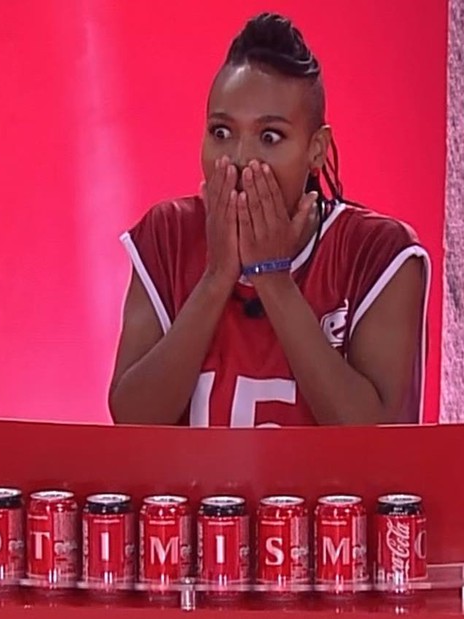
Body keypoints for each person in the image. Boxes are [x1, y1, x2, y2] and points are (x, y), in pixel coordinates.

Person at [109, 13, 429, 427]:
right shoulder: (167, 234)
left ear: (317, 150)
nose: (240, 158)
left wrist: (274, 279)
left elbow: (378, 441)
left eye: (270, 136)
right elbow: (132, 420)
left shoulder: (378, 254)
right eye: (221, 132)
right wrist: (217, 277)